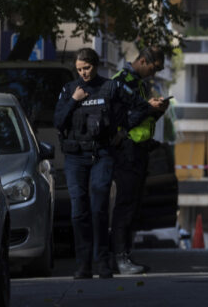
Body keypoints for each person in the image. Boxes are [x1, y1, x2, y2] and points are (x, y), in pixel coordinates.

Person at [54, 48, 151, 280]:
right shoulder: (69, 89)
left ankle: (102, 262)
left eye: (86, 68)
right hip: (76, 157)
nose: (83, 73)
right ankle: (83, 265)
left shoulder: (111, 87)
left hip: (102, 154)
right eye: (79, 69)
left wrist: (123, 131)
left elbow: (141, 106)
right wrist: (73, 101)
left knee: (98, 209)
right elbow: (58, 121)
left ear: (96, 65)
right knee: (79, 212)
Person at [110, 46, 169, 274]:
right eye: (154, 68)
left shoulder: (139, 84)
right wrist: (147, 107)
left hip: (139, 151)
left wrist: (158, 110)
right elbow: (124, 120)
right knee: (124, 206)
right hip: (126, 151)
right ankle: (119, 258)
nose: (154, 74)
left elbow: (141, 117)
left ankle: (126, 255)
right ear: (143, 60)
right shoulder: (121, 81)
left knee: (133, 207)